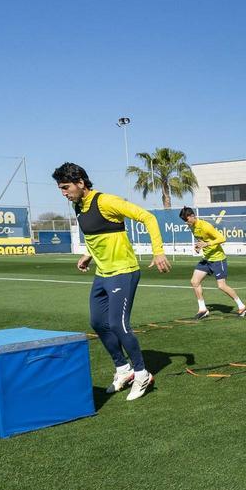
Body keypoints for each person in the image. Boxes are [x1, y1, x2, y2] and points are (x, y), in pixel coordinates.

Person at [54, 162, 171, 401]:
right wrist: (88, 255)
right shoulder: (78, 207)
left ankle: (142, 373)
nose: (63, 193)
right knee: (98, 322)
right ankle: (123, 369)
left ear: (80, 182)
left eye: (66, 187)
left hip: (124, 271)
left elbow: (147, 218)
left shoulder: (106, 201)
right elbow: (97, 236)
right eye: (60, 188)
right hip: (102, 274)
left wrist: (158, 251)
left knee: (118, 324)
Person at [179, 207, 246, 319]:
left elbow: (222, 238)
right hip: (206, 259)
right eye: (185, 221)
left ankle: (242, 306)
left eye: (187, 220)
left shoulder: (205, 226)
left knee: (221, 286)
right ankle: (203, 309)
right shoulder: (192, 227)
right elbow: (201, 240)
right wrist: (198, 246)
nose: (186, 223)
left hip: (217, 259)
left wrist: (207, 244)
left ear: (192, 216)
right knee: (194, 281)